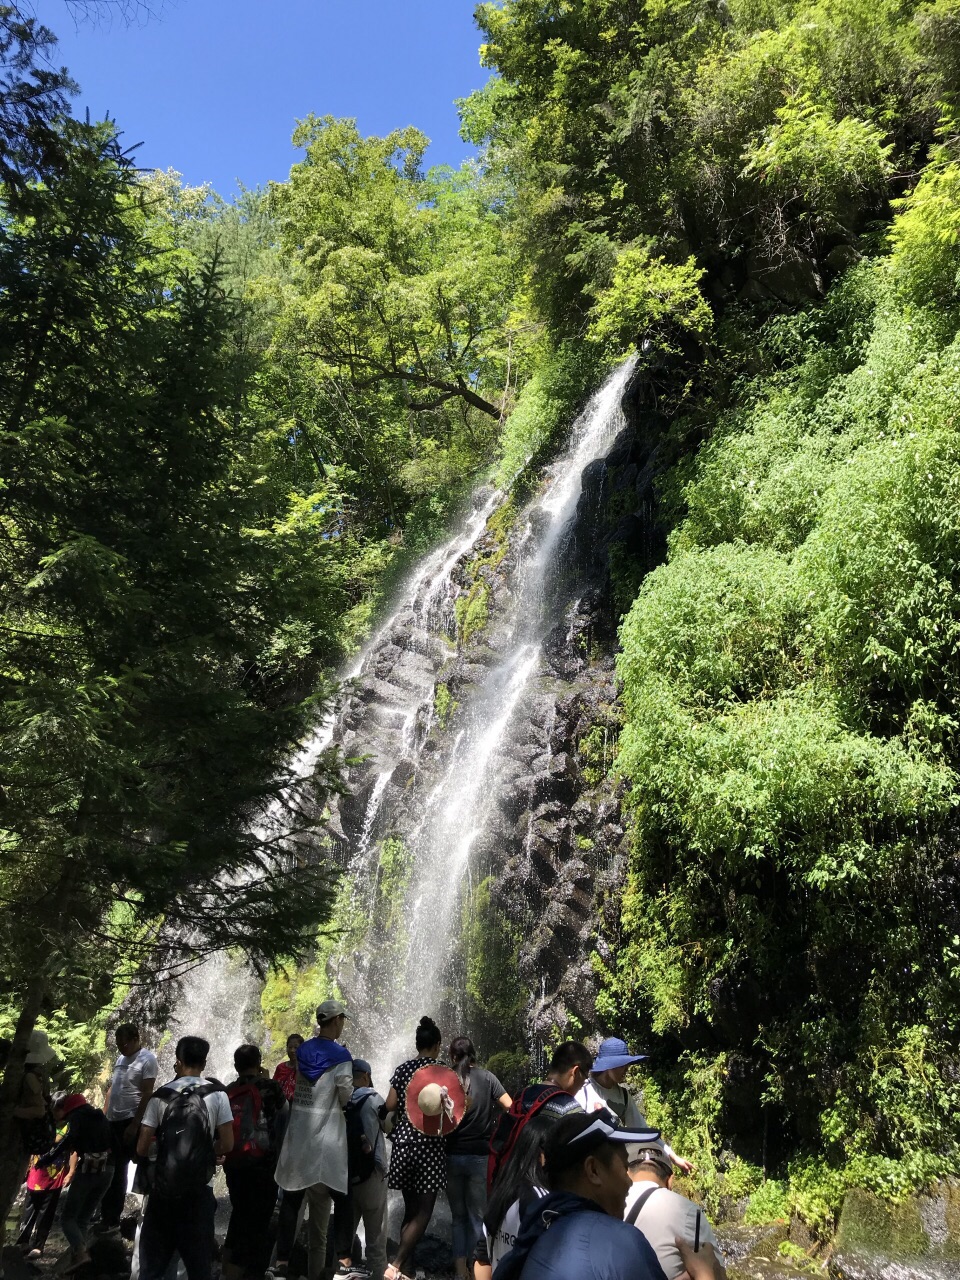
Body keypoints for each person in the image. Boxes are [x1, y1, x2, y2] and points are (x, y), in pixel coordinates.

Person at [135, 1035, 234, 1280]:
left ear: (178, 1061)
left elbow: (141, 1147)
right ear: (204, 1063)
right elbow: (228, 1143)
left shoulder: (160, 1096)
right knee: (199, 1268)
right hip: (199, 1194)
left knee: (152, 1268)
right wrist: (209, 1152)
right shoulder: (218, 1095)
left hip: (163, 1193)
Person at [271, 999, 353, 1280]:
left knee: (291, 1202)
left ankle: (281, 1262)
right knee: (342, 1198)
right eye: (342, 1019)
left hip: (299, 1137)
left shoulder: (303, 1050)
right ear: (335, 1021)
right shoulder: (341, 1056)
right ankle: (344, 1261)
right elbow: (345, 1094)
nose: (343, 1024)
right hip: (327, 1138)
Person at [475, 1089, 583, 1280]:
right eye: (555, 1150)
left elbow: (482, 1259)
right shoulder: (542, 1202)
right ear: (542, 1154)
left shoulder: (501, 1193)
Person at [383, 1015, 449, 1280]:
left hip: (402, 1145)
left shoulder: (403, 1069)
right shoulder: (442, 1071)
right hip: (428, 1146)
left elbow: (389, 1104)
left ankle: (406, 1271)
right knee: (423, 1212)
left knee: (409, 1211)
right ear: (437, 1044)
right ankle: (396, 1265)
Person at [445, 1036, 512, 1280]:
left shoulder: (448, 1079)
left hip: (451, 1155)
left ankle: (459, 1270)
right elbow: (510, 1107)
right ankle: (478, 1271)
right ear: (473, 1054)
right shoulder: (488, 1078)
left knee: (458, 1216)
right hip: (479, 1156)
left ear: (453, 1057)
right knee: (477, 1217)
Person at [576, 1038, 694, 1174]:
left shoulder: (624, 1096)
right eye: (621, 1065)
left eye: (627, 1064)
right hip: (588, 1167)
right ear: (608, 1066)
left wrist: (674, 1158)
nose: (626, 1069)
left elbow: (643, 1131)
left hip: (614, 1166)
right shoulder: (583, 1091)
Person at [222, 1044, 289, 1280]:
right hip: (263, 1164)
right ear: (259, 1062)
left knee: (240, 1214)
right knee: (260, 1221)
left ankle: (227, 1267)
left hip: (234, 1164)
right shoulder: (270, 1087)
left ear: (235, 1065)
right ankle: (249, 1272)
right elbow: (285, 1112)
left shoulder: (229, 1090)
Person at [624, 1144, 726, 1280]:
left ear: (626, 1173)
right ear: (671, 1180)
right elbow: (718, 1272)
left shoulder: (602, 1207)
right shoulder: (690, 1211)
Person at [331, 1059, 388, 1280]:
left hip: (344, 1177)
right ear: (365, 1075)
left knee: (343, 1239)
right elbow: (389, 1125)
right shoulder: (373, 1098)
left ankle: (338, 1273)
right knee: (376, 1239)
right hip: (372, 1175)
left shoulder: (337, 1099)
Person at [47, 1092, 116, 1274]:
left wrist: (48, 1158)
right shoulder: (99, 1116)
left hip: (88, 1171)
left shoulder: (77, 1117)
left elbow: (68, 1141)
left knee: (67, 1218)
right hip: (108, 1170)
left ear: (65, 1107)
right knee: (83, 1219)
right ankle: (78, 1263)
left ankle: (81, 1253)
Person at [101, 1023, 159, 1232]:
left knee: (127, 1166)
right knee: (111, 1168)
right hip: (112, 1120)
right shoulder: (120, 1058)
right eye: (117, 1045)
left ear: (136, 1039)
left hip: (130, 1120)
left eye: (123, 1044)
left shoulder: (147, 1059)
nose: (120, 1048)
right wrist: (104, 1116)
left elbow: (147, 1093)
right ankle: (107, 1216)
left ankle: (122, 1218)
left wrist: (135, 1124)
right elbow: (112, 1089)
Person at [17, 1100, 77, 1259]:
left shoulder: (69, 1127)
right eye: (55, 1108)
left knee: (47, 1210)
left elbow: (73, 1151)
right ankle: (23, 1241)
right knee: (30, 1207)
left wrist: (71, 1171)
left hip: (56, 1174)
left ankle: (38, 1245)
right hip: (37, 1171)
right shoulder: (43, 1122)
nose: (57, 1112)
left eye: (60, 1109)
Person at [273, 1034, 305, 1104]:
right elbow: (273, 1087)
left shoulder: (306, 1069)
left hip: (297, 1106)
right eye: (290, 1047)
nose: (292, 1050)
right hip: (281, 1107)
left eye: (296, 1047)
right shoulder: (280, 1068)